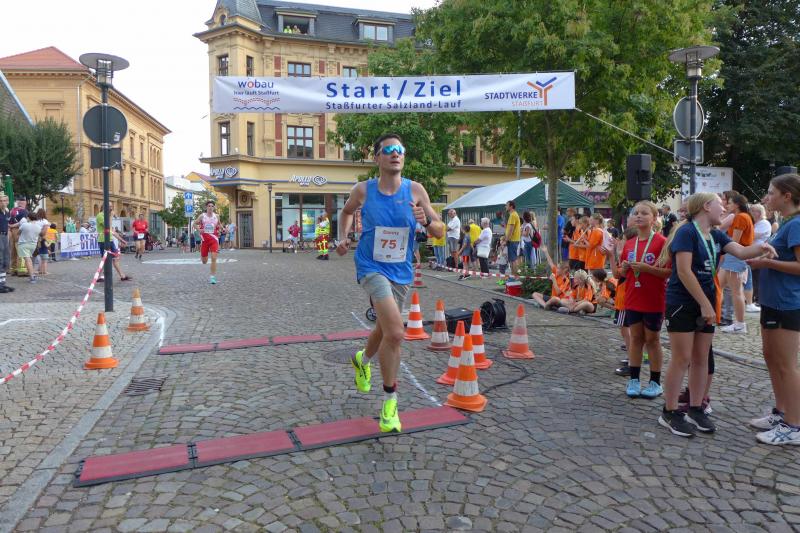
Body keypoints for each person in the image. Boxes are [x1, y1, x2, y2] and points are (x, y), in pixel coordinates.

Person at [336, 133, 444, 434]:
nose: (395, 154)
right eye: (389, 150)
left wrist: (426, 221)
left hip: (401, 270)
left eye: (400, 149)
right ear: (377, 158)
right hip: (371, 267)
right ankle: (390, 402)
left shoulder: (416, 190)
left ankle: (363, 359)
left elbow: (439, 230)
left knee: (385, 329)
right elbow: (346, 212)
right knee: (396, 332)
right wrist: (342, 237)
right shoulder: (363, 190)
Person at [658, 192, 775, 438]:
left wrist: (763, 247)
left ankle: (695, 407)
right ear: (705, 207)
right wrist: (705, 304)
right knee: (682, 358)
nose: (724, 209)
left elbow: (741, 252)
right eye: (720, 205)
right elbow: (684, 272)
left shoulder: (716, 234)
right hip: (683, 303)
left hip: (706, 303)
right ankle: (669, 411)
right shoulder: (687, 232)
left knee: (701, 358)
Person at [746, 173, 800, 445]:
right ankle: (781, 412)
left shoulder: (796, 224)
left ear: (787, 196)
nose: (767, 197)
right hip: (772, 301)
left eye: (771, 192)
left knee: (786, 364)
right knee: (771, 357)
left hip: (786, 303)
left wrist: (767, 263)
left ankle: (794, 425)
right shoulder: (787, 223)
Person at [610, 201, 670, 399]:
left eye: (644, 213)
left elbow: (668, 272)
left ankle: (655, 382)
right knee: (635, 338)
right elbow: (620, 274)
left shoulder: (662, 242)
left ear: (654, 218)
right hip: (632, 298)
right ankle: (634, 380)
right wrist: (624, 269)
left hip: (653, 299)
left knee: (652, 340)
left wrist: (647, 269)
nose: (639, 216)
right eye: (636, 213)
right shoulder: (629, 243)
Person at [719, 192, 755, 334]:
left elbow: (734, 241)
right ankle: (716, 316)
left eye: (730, 203)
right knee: (718, 286)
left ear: (737, 204)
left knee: (736, 291)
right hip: (735, 255)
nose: (727, 205)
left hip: (736, 255)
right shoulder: (744, 216)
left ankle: (740, 324)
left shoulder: (740, 217)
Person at [95, 208, 131, 282]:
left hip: (110, 241)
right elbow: (107, 226)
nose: (112, 209)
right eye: (110, 206)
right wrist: (111, 216)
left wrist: (121, 240)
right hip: (104, 241)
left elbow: (112, 231)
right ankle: (100, 276)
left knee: (114, 258)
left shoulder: (107, 217)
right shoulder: (100, 215)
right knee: (107, 259)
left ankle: (121, 276)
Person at [746, 203, 771, 310]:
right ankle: (752, 299)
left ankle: (757, 299)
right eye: (750, 210)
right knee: (752, 277)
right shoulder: (755, 223)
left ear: (760, 213)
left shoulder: (764, 223)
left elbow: (752, 235)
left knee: (756, 277)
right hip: (752, 252)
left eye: (753, 210)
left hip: (759, 253)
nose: (750, 212)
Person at [195, 200, 223, 284]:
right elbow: (194, 224)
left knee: (214, 258)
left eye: (212, 206)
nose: (210, 207)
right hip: (205, 240)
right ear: (206, 207)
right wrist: (199, 229)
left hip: (214, 239)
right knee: (204, 261)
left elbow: (219, 224)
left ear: (214, 207)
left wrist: (221, 229)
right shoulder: (202, 216)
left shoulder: (216, 216)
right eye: (209, 206)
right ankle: (203, 256)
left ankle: (212, 277)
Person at [17, 210, 46, 283]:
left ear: (29, 218)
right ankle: (32, 274)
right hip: (33, 245)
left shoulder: (24, 225)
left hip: (23, 244)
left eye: (27, 217)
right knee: (29, 259)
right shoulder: (38, 227)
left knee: (27, 260)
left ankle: (32, 277)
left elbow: (18, 233)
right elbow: (40, 234)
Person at [8, 197, 28, 275]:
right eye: (25, 202)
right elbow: (22, 222)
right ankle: (21, 271)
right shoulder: (24, 211)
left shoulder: (12, 210)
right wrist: (13, 226)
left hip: (11, 231)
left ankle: (13, 269)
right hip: (19, 230)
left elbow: (8, 220)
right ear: (23, 203)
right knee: (20, 250)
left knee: (13, 251)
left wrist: (10, 226)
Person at [0, 194, 13, 293]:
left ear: (8, 202)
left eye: (4, 201)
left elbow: (7, 226)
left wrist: (8, 237)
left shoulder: (7, 212)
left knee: (5, 260)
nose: (2, 203)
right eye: (0, 201)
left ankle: (3, 283)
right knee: (0, 260)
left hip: (5, 236)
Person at [505, 200, 521, 278]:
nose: (505, 207)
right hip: (514, 240)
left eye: (507, 205)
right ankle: (513, 275)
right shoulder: (514, 214)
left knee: (513, 259)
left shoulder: (513, 215)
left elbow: (511, 229)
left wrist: (506, 240)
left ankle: (515, 276)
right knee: (512, 259)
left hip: (512, 240)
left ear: (511, 206)